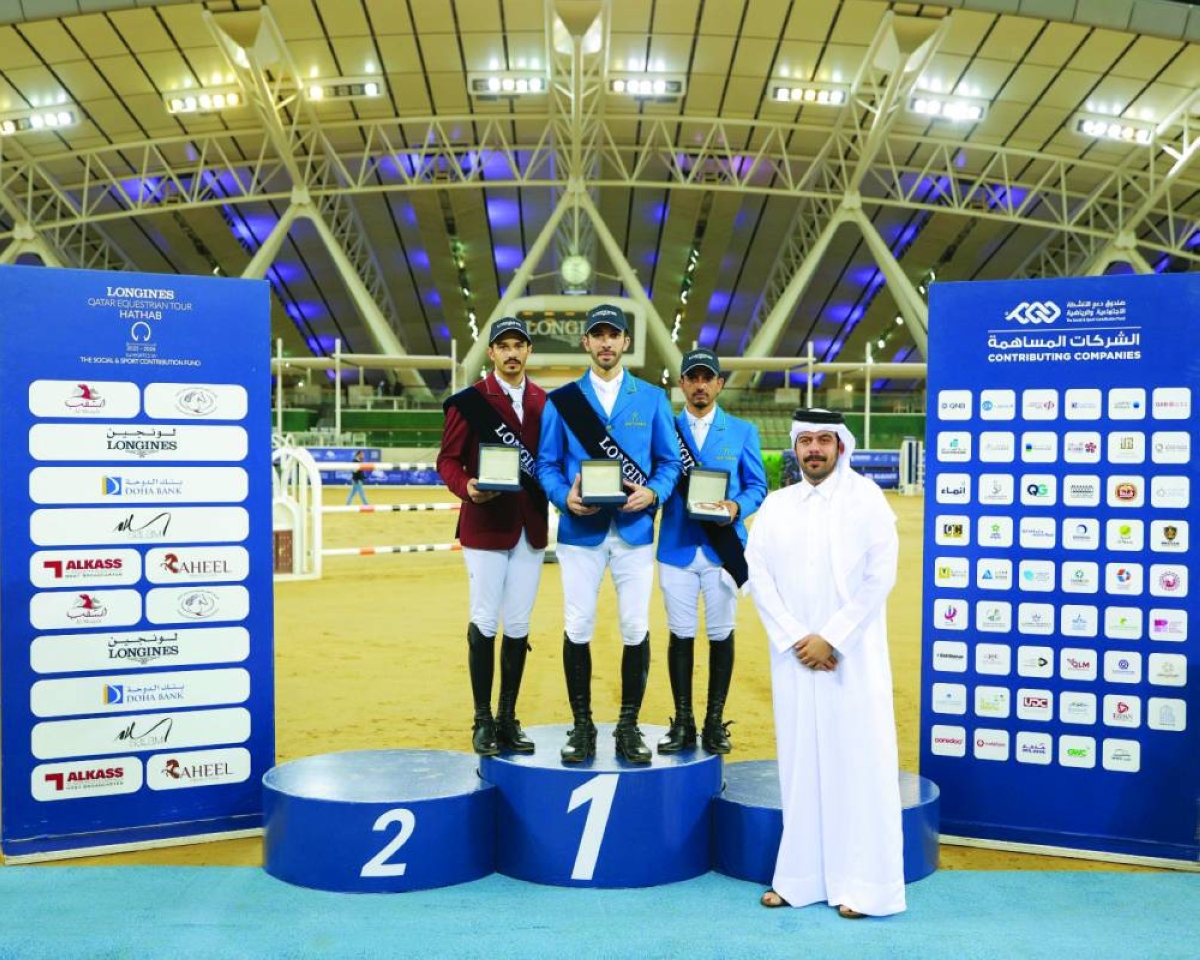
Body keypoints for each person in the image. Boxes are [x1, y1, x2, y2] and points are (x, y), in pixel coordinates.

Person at [747, 408, 905, 919]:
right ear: (795, 448)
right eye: (806, 441)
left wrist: (832, 638)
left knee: (858, 765)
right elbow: (759, 574)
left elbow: (880, 576)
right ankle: (800, 880)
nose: (814, 450)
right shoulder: (776, 505)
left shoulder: (868, 499)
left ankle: (865, 887)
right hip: (796, 659)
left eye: (824, 441)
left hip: (850, 660)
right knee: (800, 766)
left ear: (841, 446)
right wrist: (798, 638)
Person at [536, 304, 682, 764]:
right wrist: (563, 497)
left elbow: (669, 462)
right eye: (596, 335)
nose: (605, 343)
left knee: (635, 627)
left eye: (612, 335)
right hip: (580, 530)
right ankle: (581, 727)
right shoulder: (561, 401)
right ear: (586, 343)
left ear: (624, 343)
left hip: (635, 530)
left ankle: (627, 726)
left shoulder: (653, 398)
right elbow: (546, 463)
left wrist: (653, 494)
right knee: (577, 626)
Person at [437, 316, 548, 755]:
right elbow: (447, 461)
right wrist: (466, 488)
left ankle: (507, 718)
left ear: (528, 351)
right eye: (503, 346)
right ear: (491, 353)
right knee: (484, 620)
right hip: (484, 526)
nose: (511, 353)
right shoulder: (469, 402)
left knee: (518, 624)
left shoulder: (545, 402)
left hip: (531, 528)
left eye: (519, 345)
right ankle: (482, 720)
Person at [655, 349, 766, 755]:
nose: (700, 385)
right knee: (680, 635)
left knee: (721, 634)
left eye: (708, 378)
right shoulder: (664, 428)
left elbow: (757, 486)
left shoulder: (742, 431)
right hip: (677, 547)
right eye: (692, 378)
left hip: (723, 550)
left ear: (719, 384)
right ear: (682, 384)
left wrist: (737, 507)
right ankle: (683, 721)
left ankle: (714, 722)